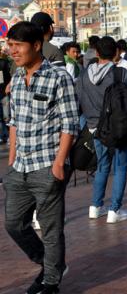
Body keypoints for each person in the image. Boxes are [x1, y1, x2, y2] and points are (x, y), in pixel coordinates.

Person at [4, 22, 78, 294]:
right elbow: (13, 121)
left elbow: (70, 124)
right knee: (13, 223)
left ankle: (51, 281)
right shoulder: (16, 78)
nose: (13, 51)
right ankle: (50, 265)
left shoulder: (59, 78)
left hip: (47, 166)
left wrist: (59, 164)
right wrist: (11, 158)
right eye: (10, 45)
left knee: (50, 229)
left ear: (36, 45)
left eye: (18, 45)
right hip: (20, 166)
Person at [77, 36, 127, 224]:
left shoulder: (83, 75)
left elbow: (78, 100)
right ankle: (115, 210)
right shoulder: (120, 74)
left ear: (96, 52)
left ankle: (95, 207)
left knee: (102, 166)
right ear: (116, 53)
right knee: (120, 167)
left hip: (95, 127)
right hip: (118, 128)